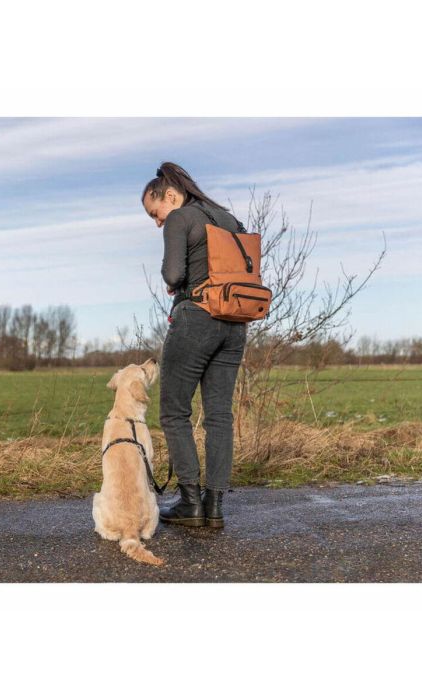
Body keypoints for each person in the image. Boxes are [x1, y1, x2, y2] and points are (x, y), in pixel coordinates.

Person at [142, 162, 247, 529]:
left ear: (169, 195)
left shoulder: (181, 218)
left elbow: (174, 274)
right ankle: (214, 505)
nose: (158, 222)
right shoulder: (228, 219)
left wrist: (174, 279)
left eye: (155, 213)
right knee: (219, 415)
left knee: (174, 412)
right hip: (235, 324)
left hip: (197, 319)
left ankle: (190, 502)